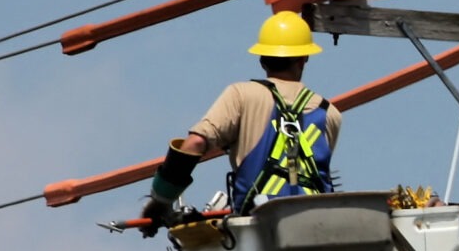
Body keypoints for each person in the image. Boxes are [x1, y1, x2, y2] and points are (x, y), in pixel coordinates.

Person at [140, 11, 343, 226]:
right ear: (304, 59)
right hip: (317, 228)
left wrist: (160, 201)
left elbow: (195, 143)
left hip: (259, 230)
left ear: (262, 59)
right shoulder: (329, 113)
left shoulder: (241, 95)